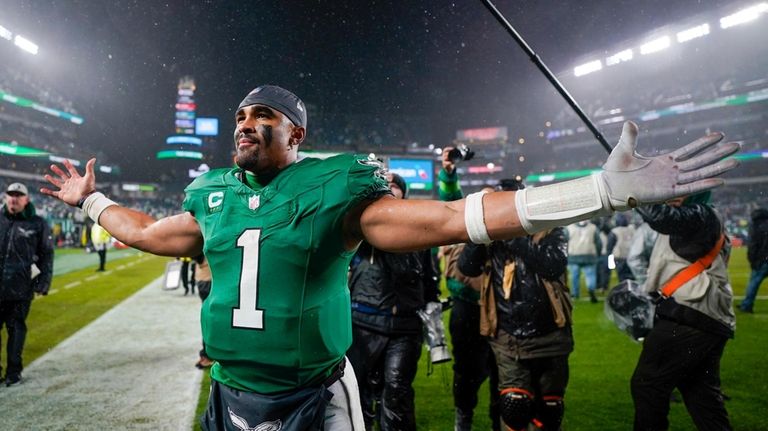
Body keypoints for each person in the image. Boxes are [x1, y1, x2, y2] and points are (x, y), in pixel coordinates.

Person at [40, 84, 738, 430]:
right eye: (239, 118)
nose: (245, 124)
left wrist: (602, 189)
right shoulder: (212, 194)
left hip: (312, 394)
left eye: (263, 117)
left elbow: (452, 217)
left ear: (296, 132)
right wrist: (88, 201)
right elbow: (145, 233)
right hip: (229, 391)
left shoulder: (335, 186)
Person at [458, 179, 573, 431]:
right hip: (508, 336)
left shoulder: (551, 228)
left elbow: (553, 265)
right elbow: (466, 267)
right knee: (514, 407)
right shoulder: (489, 235)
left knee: (549, 411)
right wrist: (480, 227)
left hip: (551, 334)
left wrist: (514, 237)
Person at [630, 192, 734, 431]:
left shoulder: (701, 214)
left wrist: (634, 189)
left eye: (680, 191)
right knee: (702, 397)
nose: (672, 196)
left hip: (689, 316)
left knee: (648, 385)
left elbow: (659, 217)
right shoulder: (705, 216)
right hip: (705, 318)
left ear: (698, 192)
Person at [346, 173, 439, 431]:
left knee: (397, 392)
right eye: (385, 185)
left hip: (404, 326)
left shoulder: (418, 232)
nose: (390, 189)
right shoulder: (361, 224)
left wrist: (432, 313)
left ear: (404, 195)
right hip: (362, 321)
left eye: (395, 186)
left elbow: (429, 278)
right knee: (358, 393)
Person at [438, 152, 500, 431]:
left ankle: (500, 418)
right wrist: (449, 174)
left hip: (500, 311)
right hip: (466, 309)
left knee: (502, 371)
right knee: (466, 372)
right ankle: (463, 418)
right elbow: (450, 199)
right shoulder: (462, 223)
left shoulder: (503, 232)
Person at [0, 183, 54, 387]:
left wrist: (43, 283)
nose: (14, 198)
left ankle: (14, 372)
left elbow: (47, 255)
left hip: (21, 287)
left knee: (16, 330)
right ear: (5, 197)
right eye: (10, 195)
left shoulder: (37, 223)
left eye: (18, 195)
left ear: (26, 199)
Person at [739, 207, 768, 313]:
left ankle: (746, 305)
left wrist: (753, 260)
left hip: (761, 260)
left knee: (754, 283)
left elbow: (753, 245)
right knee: (754, 283)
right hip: (764, 258)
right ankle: (746, 304)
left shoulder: (756, 226)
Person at [566, 220, 601, 303]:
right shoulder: (593, 227)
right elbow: (598, 243)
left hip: (574, 255)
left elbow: (564, 242)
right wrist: (597, 253)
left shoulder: (569, 228)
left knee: (574, 276)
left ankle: (575, 293)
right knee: (590, 275)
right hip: (589, 255)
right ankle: (591, 289)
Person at [194, 253, 214, 369]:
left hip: (201, 279)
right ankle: (206, 355)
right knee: (211, 320)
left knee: (208, 319)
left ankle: (206, 354)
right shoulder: (204, 240)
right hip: (208, 280)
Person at [607, 213, 636, 282]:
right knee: (632, 275)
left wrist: (609, 255)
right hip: (631, 255)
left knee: (622, 276)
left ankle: (625, 289)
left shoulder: (614, 231)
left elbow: (610, 246)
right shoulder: (632, 229)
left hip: (619, 257)